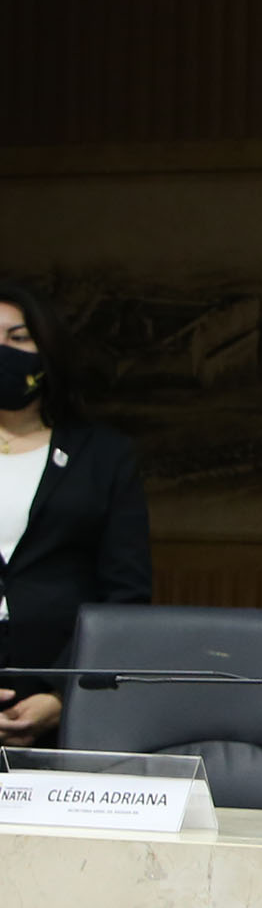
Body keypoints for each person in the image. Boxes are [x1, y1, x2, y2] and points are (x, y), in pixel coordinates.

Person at [0, 281, 152, 744]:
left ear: (47, 350)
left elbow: (126, 595)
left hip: (61, 695)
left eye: (18, 338)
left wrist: (62, 693)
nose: (2, 351)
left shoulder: (103, 456)